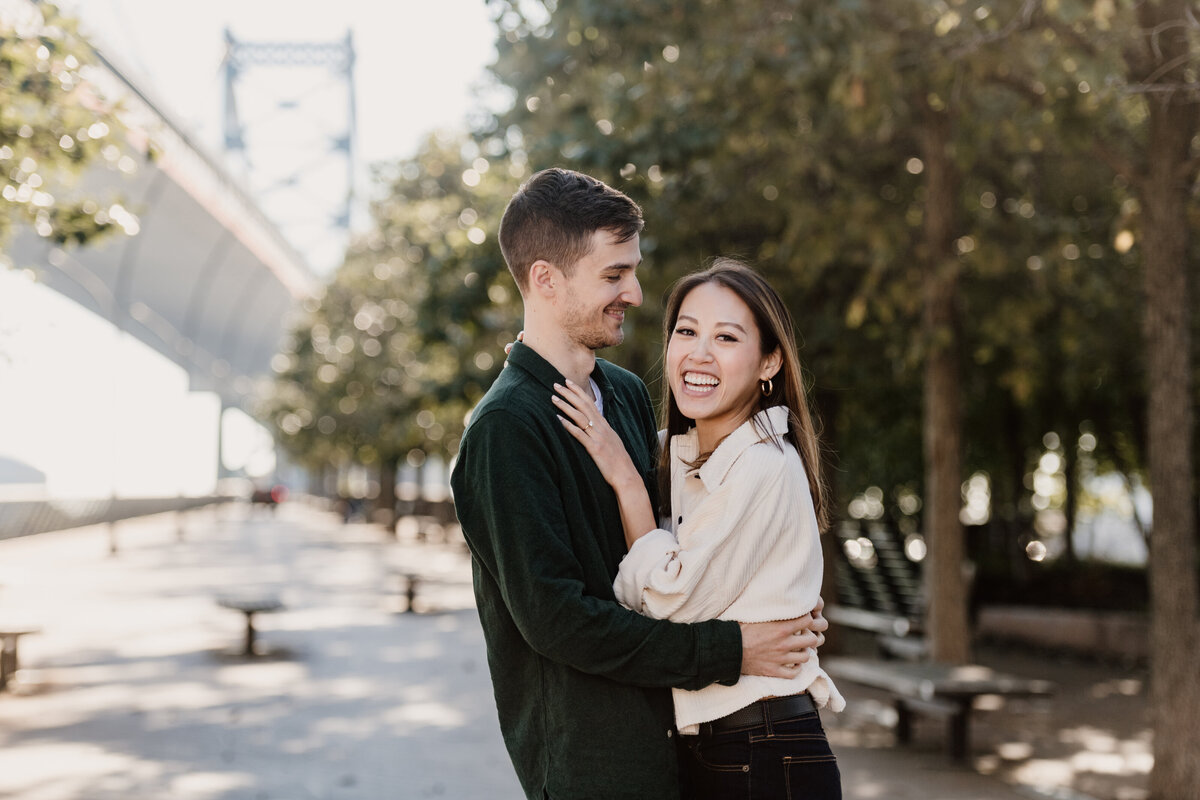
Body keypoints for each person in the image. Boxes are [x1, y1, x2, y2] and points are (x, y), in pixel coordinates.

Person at [450, 168, 828, 800]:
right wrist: (733, 648)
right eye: (613, 274)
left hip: (681, 747)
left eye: (633, 269)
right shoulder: (505, 429)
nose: (635, 291)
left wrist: (769, 599)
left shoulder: (623, 394)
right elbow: (560, 622)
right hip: (594, 766)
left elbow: (679, 539)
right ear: (546, 279)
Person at [552, 258, 844, 799]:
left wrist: (627, 483)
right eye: (686, 331)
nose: (699, 353)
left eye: (727, 337)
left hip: (761, 748)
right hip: (723, 749)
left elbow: (668, 599)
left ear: (769, 362)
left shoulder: (762, 463)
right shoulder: (682, 453)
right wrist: (539, 355)